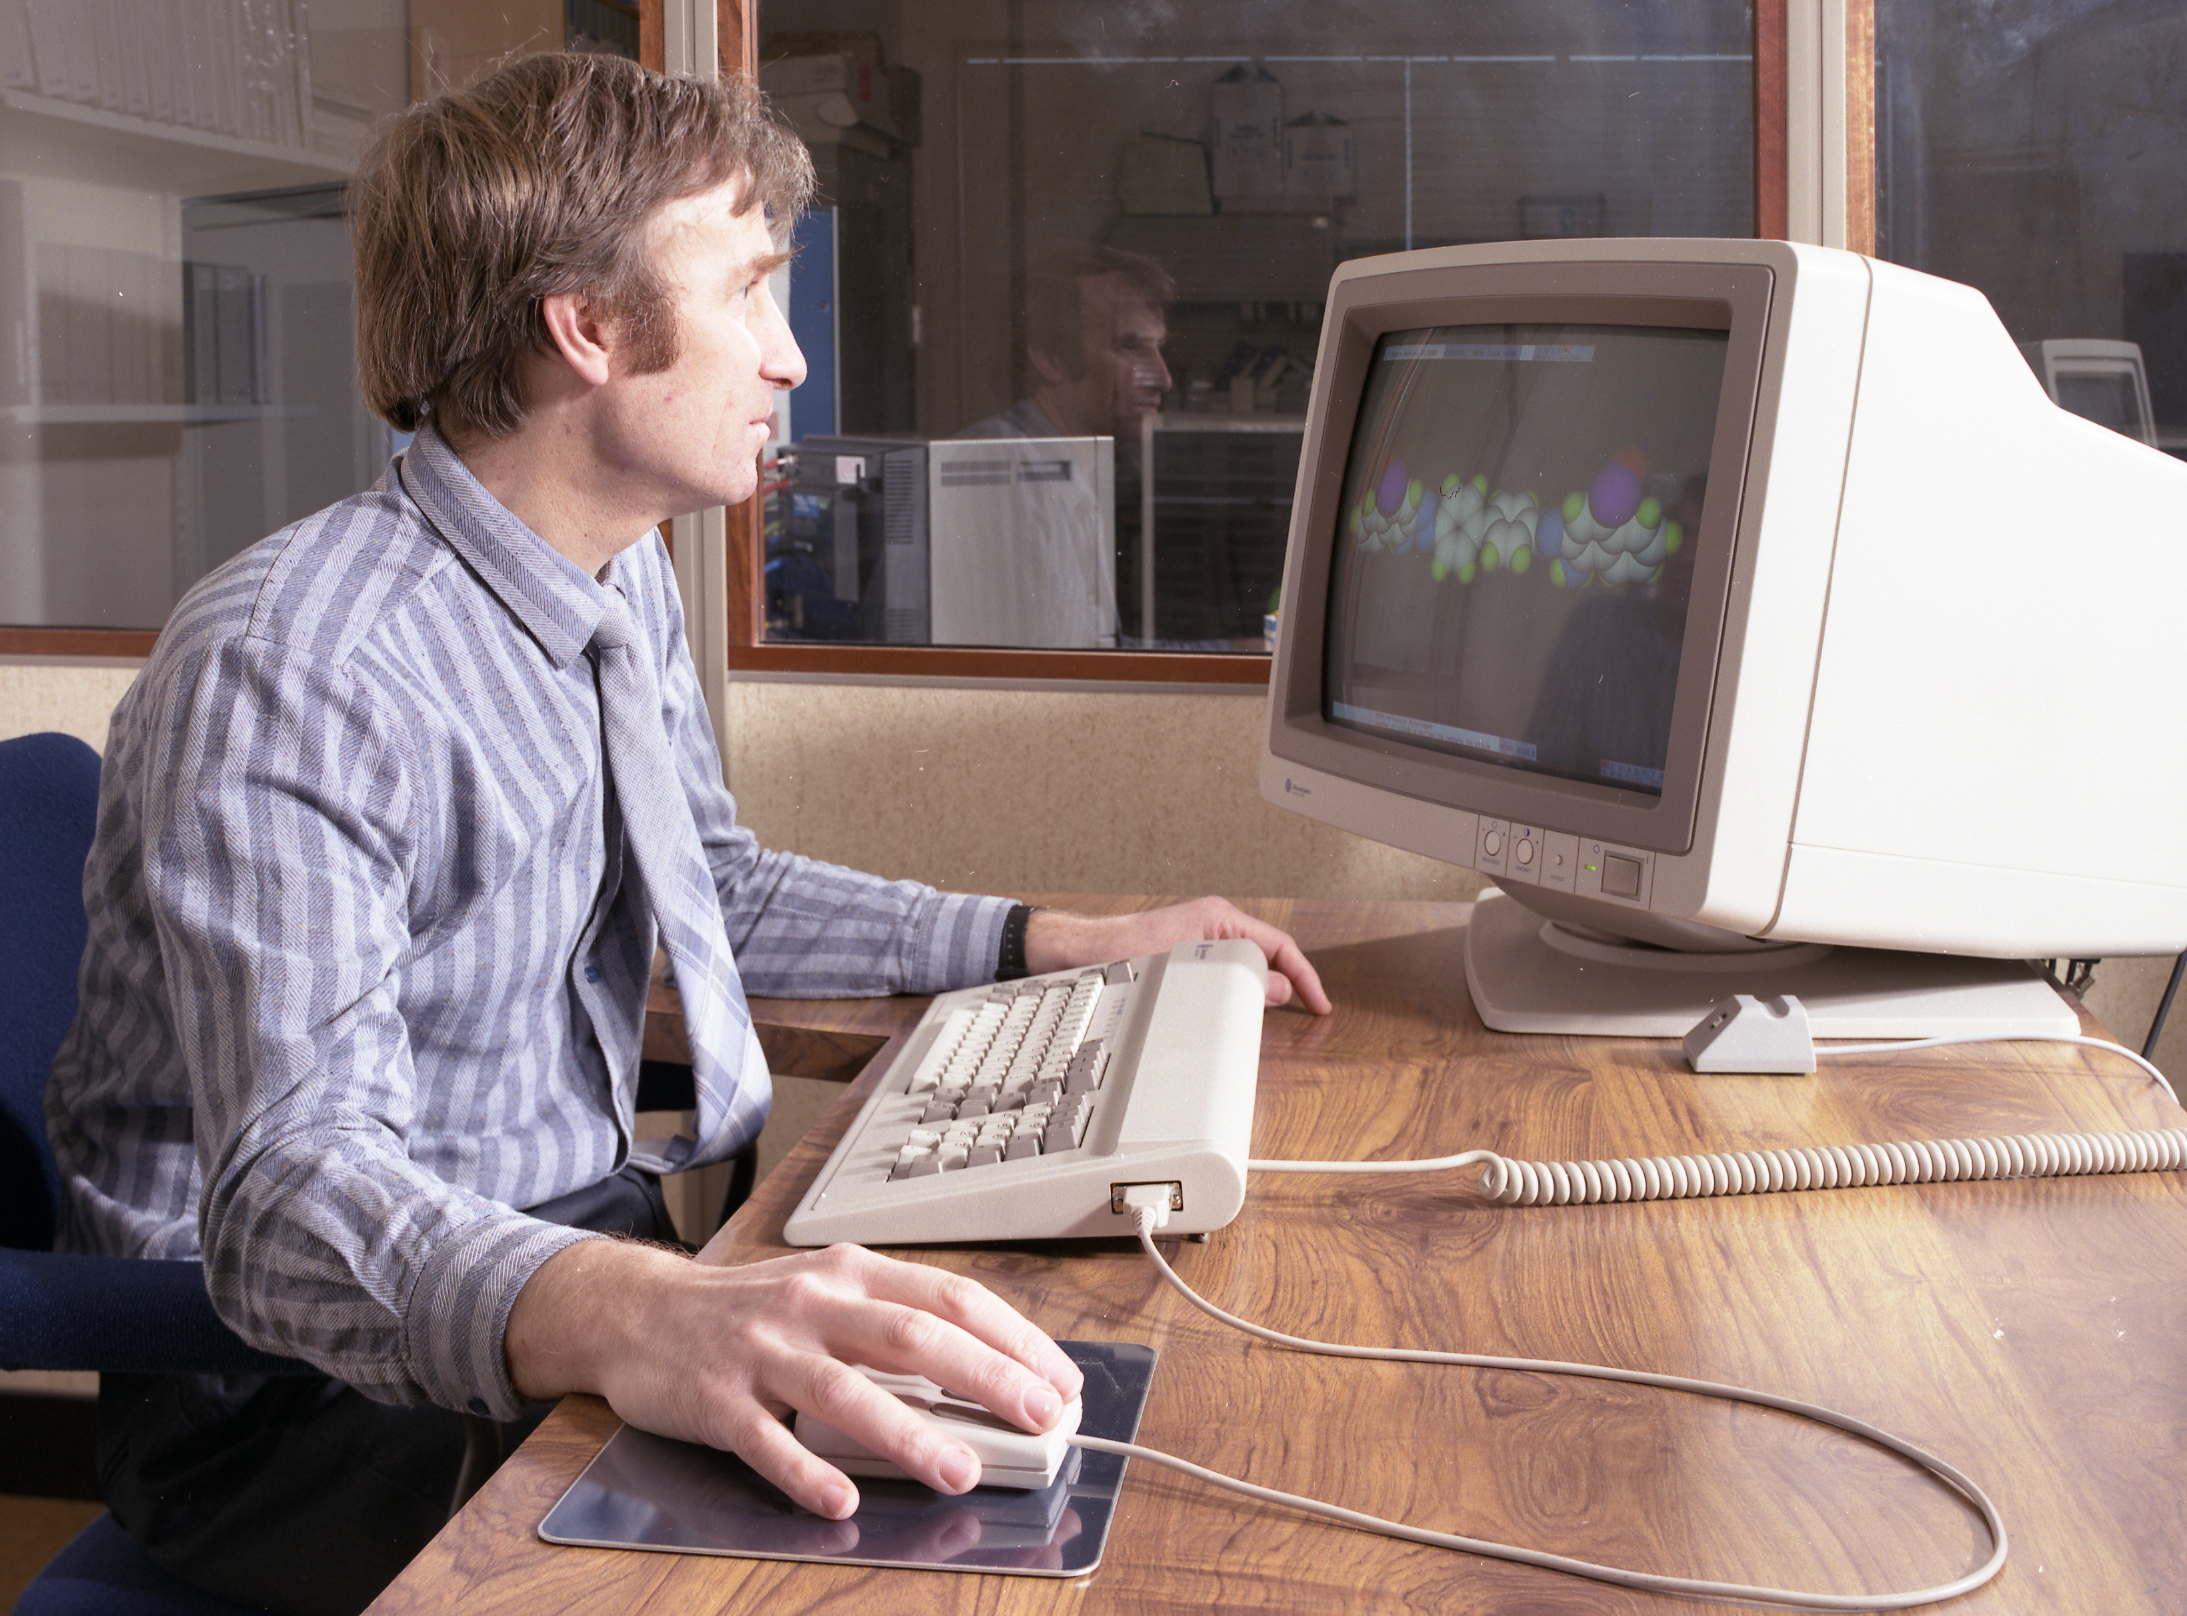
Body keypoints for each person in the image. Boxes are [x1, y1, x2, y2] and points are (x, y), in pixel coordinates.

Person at [41, 53, 1328, 1616]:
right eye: (747, 292)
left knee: (1065, 1424)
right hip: (300, 1394)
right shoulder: (297, 666)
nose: (791, 358)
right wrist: (639, 1309)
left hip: (562, 1257)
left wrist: (1043, 942)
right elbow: (293, 1199)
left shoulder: (614, 568)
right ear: (588, 327)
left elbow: (705, 883)